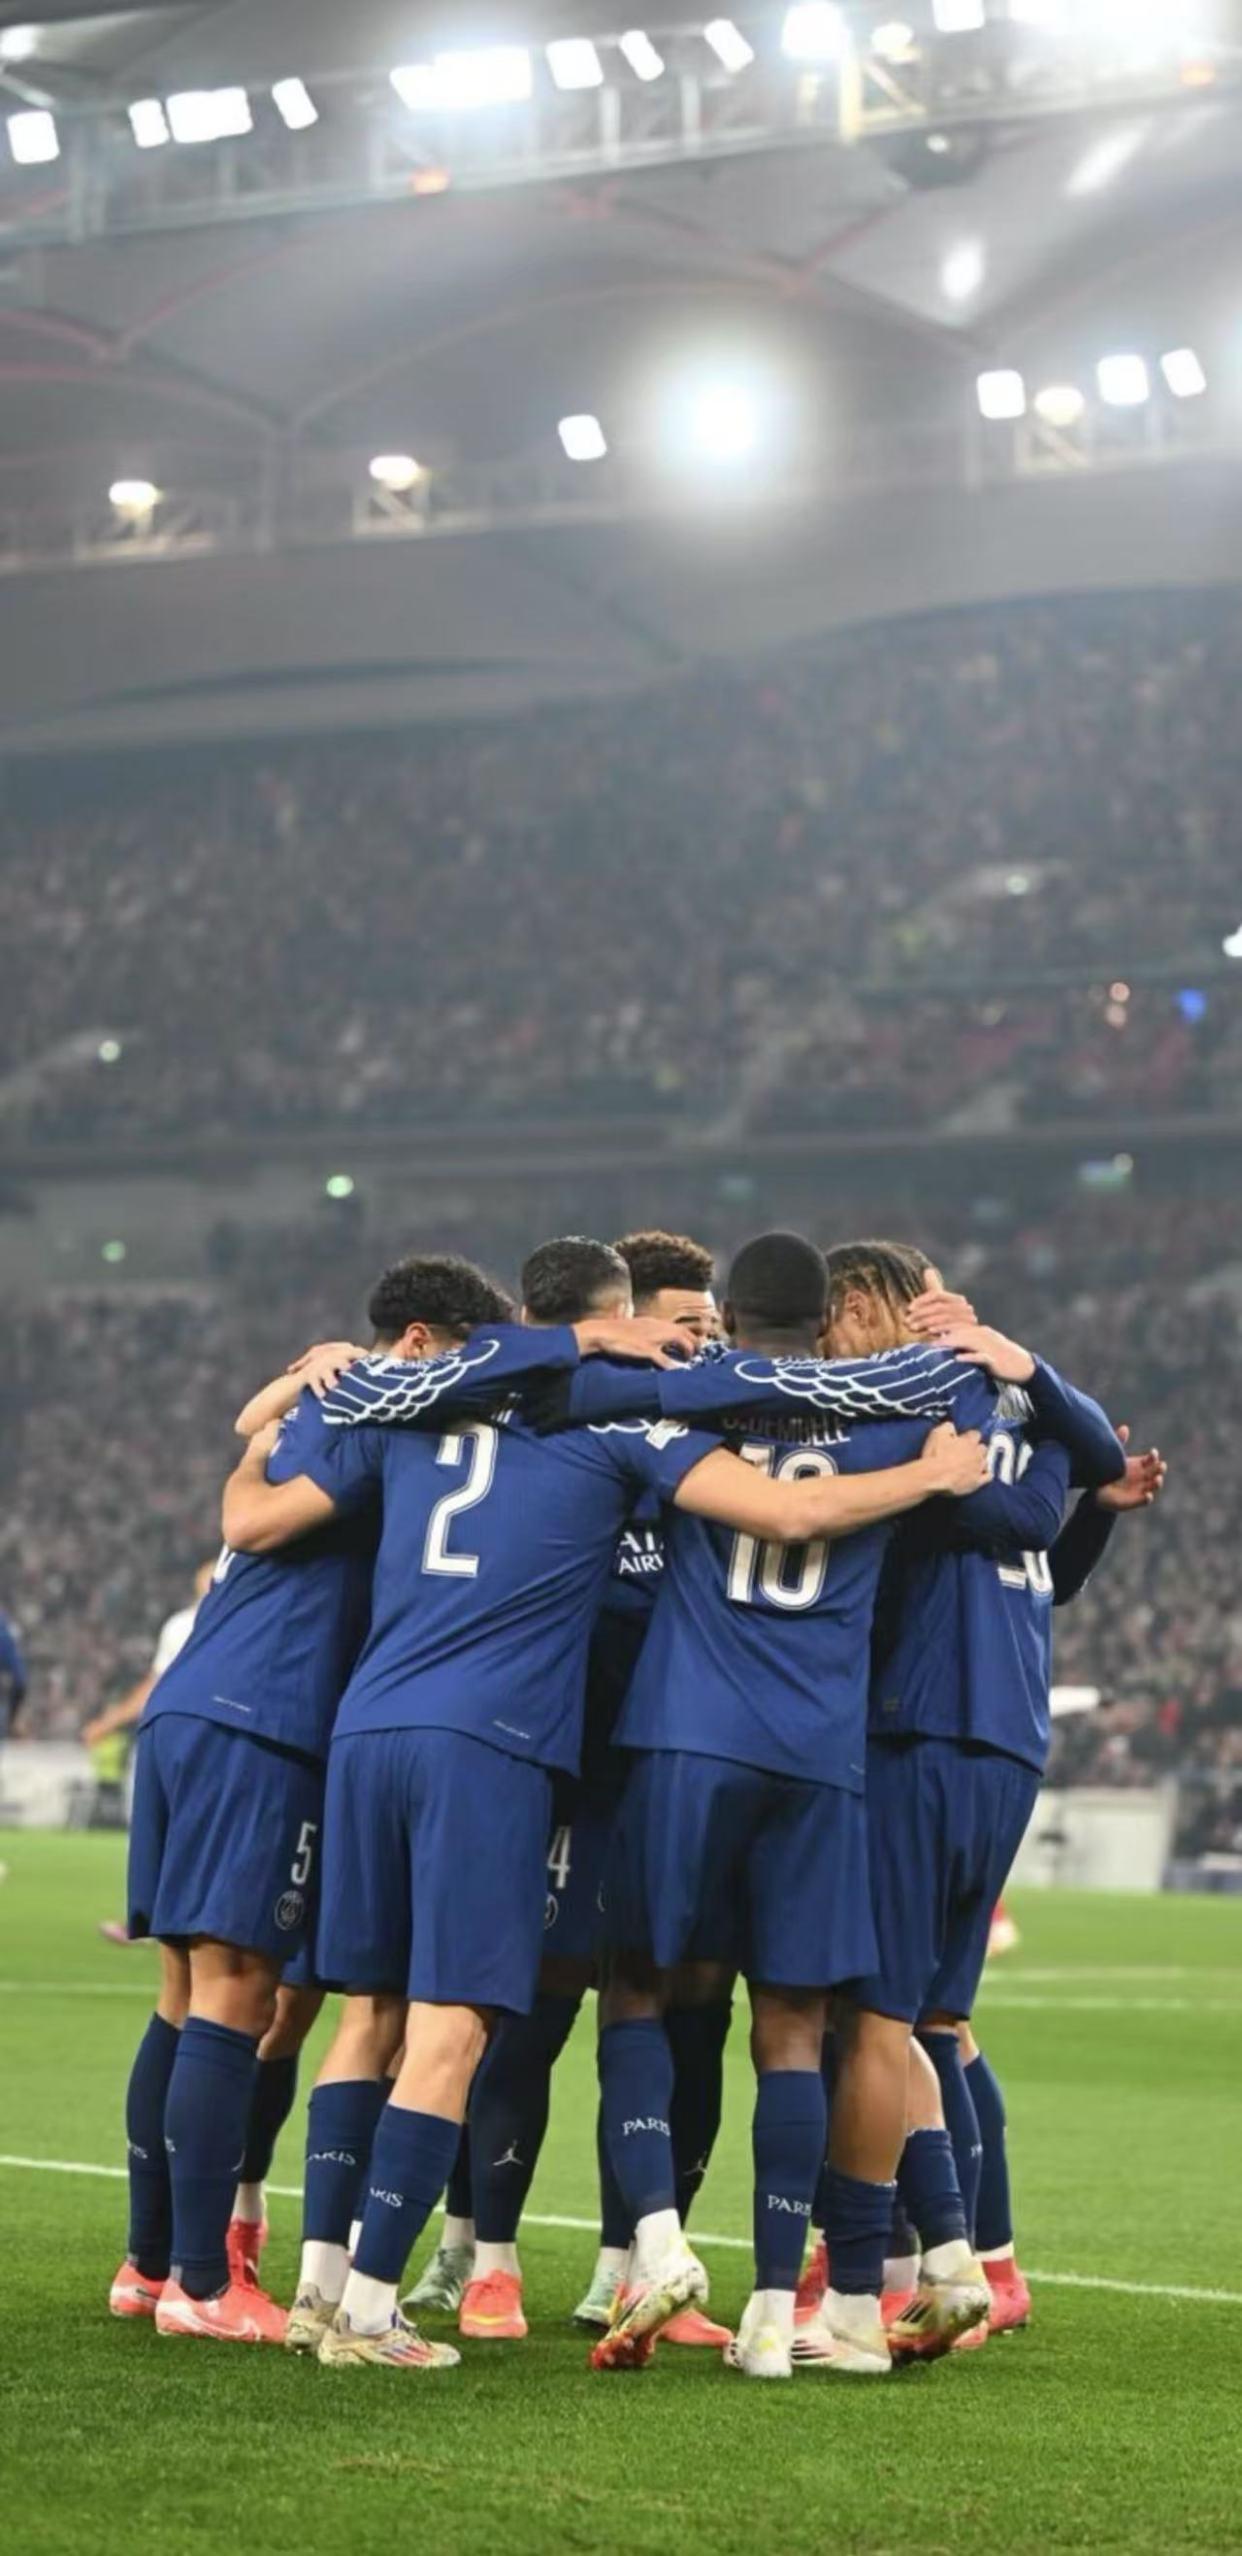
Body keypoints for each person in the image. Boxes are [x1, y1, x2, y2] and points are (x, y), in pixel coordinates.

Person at [225, 1233, 981, 2375]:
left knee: (366, 2016)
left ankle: (318, 2286)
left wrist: (301, 1382)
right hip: (493, 1748)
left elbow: (262, 1491)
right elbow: (779, 1509)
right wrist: (929, 1465)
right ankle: (372, 2314)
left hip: (369, 1731)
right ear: (612, 1321)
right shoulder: (616, 1425)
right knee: (456, 2027)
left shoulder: (418, 1408)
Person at [110, 1253, 556, 2345]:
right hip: (266, 1719)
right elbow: (255, 1525)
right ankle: (203, 2285)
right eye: (472, 1356)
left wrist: (274, 1409)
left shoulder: (319, 1407)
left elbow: (247, 1455)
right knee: (237, 1993)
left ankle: (151, 2263)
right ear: (422, 1346)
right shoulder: (385, 1418)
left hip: (190, 1708)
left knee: (183, 1995)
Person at [574, 1231, 991, 2380]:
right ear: (823, 1317)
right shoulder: (902, 1417)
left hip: (686, 1735)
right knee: (796, 2024)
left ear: (727, 1314)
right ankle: (771, 2314)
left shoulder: (684, 1401)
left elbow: (588, 1402)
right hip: (818, 1754)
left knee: (639, 1991)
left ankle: (656, 2245)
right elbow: (981, 1420)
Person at [792, 1247, 1132, 2365]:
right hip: (1001, 1741)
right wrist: (1074, 1474)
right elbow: (1053, 1530)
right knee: (937, 2021)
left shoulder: (916, 1415)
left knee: (872, 2017)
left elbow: (1025, 1517)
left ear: (857, 1306)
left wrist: (1003, 1381)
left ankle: (890, 2268)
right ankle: (981, 2260)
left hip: (921, 1732)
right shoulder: (1021, 1420)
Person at [424, 1229, 732, 2351]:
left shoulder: (702, 1445)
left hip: (667, 1773)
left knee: (685, 2013)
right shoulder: (569, 1430)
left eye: (714, 1328)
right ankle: (482, 2254)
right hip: (561, 1772)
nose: (701, 1345)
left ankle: (630, 2265)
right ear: (625, 1325)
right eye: (684, 1325)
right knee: (531, 2010)